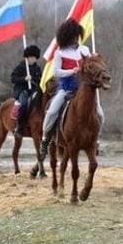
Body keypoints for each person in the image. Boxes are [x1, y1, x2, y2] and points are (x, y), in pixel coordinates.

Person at [39, 20, 104, 156]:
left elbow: (91, 67)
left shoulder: (85, 50)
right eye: (72, 36)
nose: (75, 39)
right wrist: (71, 71)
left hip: (84, 90)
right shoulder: (60, 53)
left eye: (76, 36)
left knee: (100, 114)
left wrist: (95, 60)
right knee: (51, 112)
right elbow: (56, 72)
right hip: (67, 89)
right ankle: (45, 139)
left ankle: (95, 139)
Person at [10, 45, 43, 136]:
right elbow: (13, 79)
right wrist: (24, 79)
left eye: (34, 58)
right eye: (31, 57)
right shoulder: (20, 67)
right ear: (27, 58)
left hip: (34, 90)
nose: (33, 60)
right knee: (24, 103)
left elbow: (40, 79)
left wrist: (34, 78)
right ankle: (19, 126)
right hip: (21, 90)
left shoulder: (38, 69)